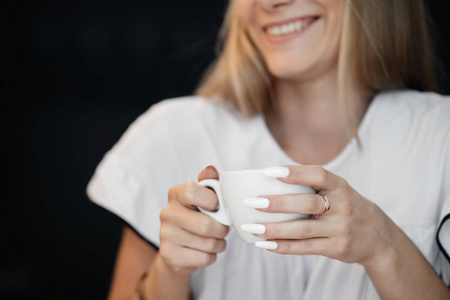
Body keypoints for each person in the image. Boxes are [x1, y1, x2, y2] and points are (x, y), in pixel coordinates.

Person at [87, 0, 450, 299]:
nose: (270, 3)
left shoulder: (440, 136)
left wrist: (385, 247)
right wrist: (171, 271)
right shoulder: (171, 134)